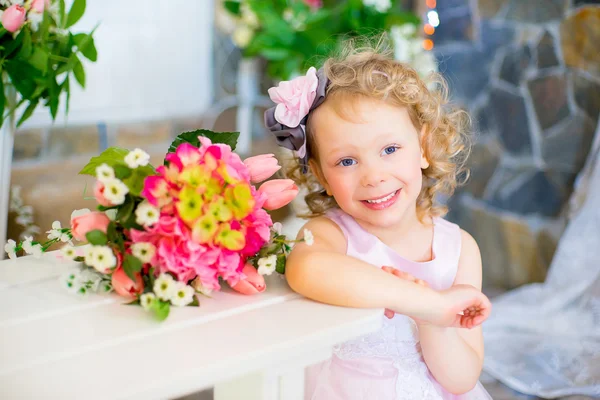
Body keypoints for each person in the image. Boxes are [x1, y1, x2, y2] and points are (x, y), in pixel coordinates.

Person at [264, 36, 493, 399]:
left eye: (389, 149)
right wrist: (425, 301)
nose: (373, 176)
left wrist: (432, 321)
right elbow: (305, 269)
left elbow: (462, 378)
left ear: (423, 146)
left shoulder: (460, 249)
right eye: (347, 161)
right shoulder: (330, 235)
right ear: (321, 175)